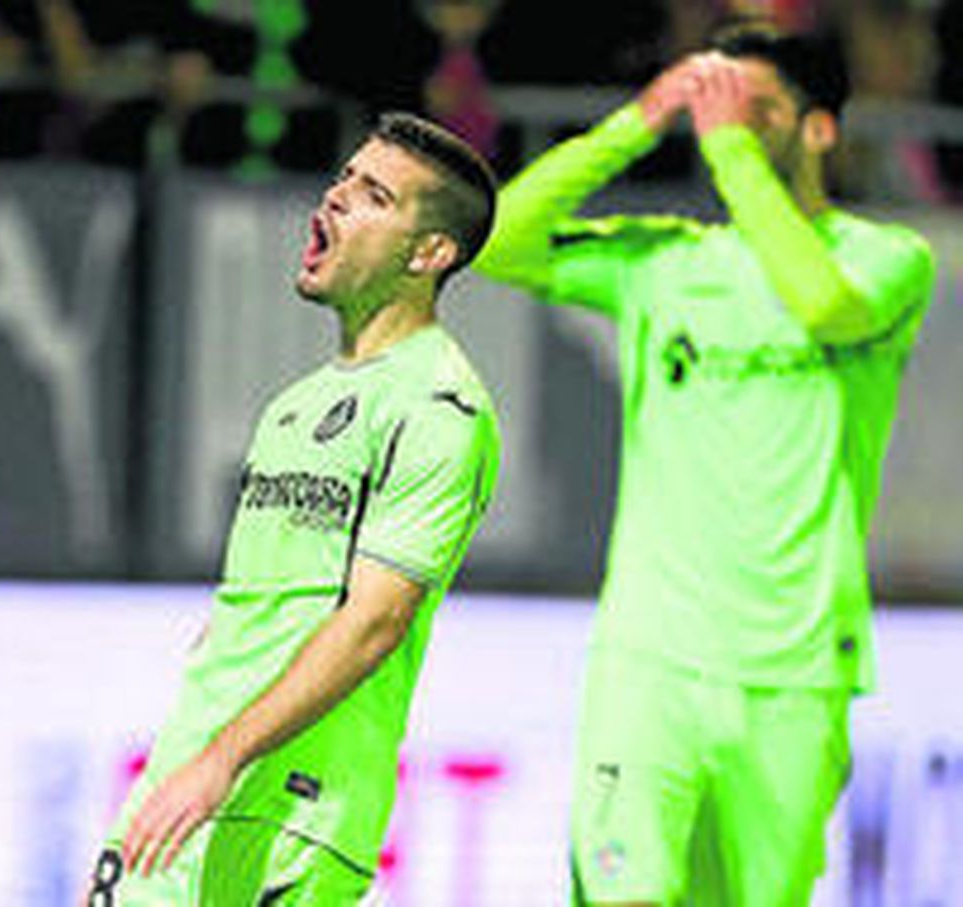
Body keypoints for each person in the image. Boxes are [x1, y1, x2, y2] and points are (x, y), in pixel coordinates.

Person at [472, 21, 935, 906]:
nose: (727, 126)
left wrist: (729, 154)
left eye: (755, 108)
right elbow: (499, 243)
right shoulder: (667, 262)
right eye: (713, 108)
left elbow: (822, 305)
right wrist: (635, 124)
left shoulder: (884, 260)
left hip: (795, 673)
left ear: (819, 129)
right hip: (651, 656)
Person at [87, 112, 501, 904]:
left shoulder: (441, 407)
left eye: (372, 194)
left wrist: (225, 757)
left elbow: (375, 622)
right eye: (344, 177)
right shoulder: (295, 403)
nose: (337, 198)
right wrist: (198, 749)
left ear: (429, 252)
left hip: (294, 807)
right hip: (191, 775)